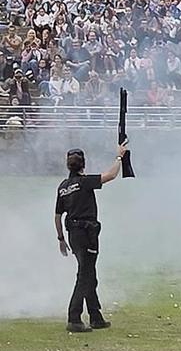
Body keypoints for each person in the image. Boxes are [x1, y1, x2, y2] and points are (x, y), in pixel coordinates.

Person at [55, 141, 129, 333]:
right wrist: (119, 156)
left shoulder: (63, 186)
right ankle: (74, 317)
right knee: (85, 275)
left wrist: (61, 239)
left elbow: (57, 215)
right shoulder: (84, 182)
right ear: (83, 164)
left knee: (89, 274)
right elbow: (111, 175)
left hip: (72, 234)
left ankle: (95, 316)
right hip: (87, 233)